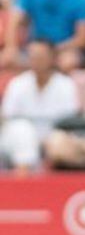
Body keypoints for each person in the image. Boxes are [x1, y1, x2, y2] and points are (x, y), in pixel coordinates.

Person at [0, 40, 80, 170]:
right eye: (33, 57)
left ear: (53, 58)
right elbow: (8, 118)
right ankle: (21, 178)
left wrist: (44, 140)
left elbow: (69, 121)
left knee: (58, 141)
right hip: (19, 140)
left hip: (53, 139)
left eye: (41, 57)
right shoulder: (17, 83)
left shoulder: (66, 84)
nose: (36, 61)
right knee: (22, 131)